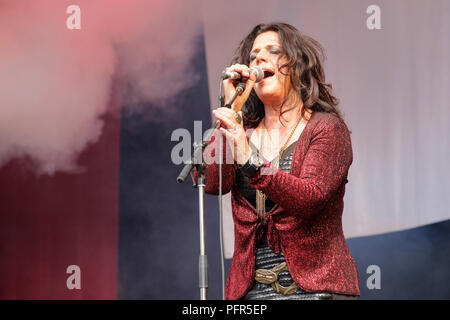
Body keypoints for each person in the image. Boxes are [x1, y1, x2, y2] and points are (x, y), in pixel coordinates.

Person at [199, 22, 359, 300]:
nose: (258, 59)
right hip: (251, 293)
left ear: (297, 66)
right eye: (253, 55)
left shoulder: (327, 128)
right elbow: (214, 183)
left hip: (315, 289)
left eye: (272, 51)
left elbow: (309, 198)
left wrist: (248, 157)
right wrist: (231, 108)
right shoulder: (243, 130)